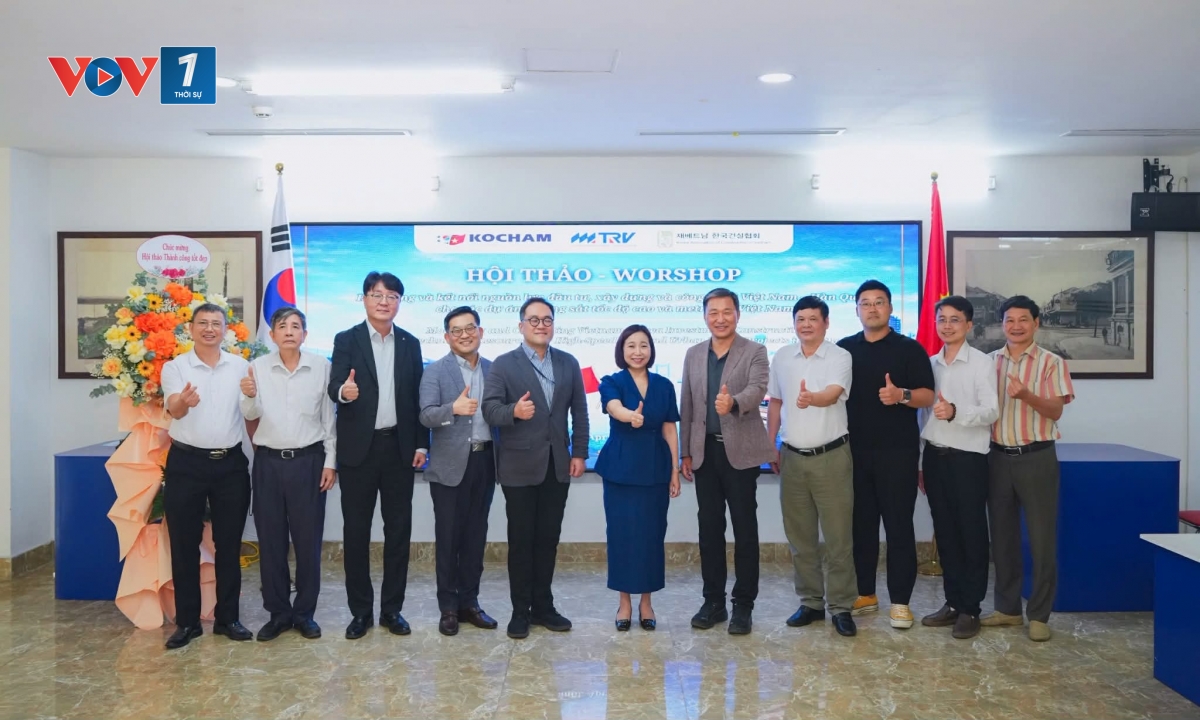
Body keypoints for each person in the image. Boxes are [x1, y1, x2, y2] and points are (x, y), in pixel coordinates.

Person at [327, 271, 428, 640]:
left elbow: (418, 397)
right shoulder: (346, 339)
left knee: (398, 532)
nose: (384, 301)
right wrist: (344, 391)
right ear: (365, 299)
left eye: (392, 296)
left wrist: (421, 444)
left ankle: (392, 610)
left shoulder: (410, 343)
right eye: (376, 294)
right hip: (359, 450)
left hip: (399, 449)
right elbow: (334, 385)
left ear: (399, 302)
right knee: (356, 532)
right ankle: (360, 613)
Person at [482, 297, 589, 639]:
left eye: (547, 320)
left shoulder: (568, 362)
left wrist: (579, 453)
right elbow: (489, 410)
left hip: (557, 465)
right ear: (521, 326)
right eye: (534, 320)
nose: (541, 325)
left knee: (547, 539)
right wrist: (513, 411)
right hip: (518, 467)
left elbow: (580, 411)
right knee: (521, 541)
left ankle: (544, 607)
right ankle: (520, 611)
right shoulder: (503, 364)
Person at [837, 279, 935, 630]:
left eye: (879, 302)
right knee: (860, 527)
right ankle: (865, 593)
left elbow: (928, 395)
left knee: (898, 528)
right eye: (865, 303)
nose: (872, 308)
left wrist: (901, 395)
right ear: (857, 310)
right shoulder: (844, 350)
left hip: (898, 454)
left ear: (890, 308)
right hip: (854, 454)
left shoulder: (910, 349)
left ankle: (900, 602)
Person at [679, 288, 774, 635]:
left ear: (738, 314)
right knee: (709, 530)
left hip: (741, 454)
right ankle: (713, 602)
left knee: (745, 530)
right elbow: (687, 404)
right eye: (713, 312)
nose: (720, 318)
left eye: (727, 311)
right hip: (704, 453)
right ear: (705, 316)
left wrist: (732, 402)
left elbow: (757, 389)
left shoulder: (755, 351)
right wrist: (685, 452)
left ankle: (743, 605)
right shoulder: (693, 354)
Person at [239, 307, 336, 641]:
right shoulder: (257, 368)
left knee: (308, 542)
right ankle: (278, 613)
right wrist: (249, 395)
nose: (290, 332)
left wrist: (330, 462)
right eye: (283, 326)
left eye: (296, 326)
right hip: (268, 463)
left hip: (309, 462)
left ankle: (305, 613)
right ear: (273, 334)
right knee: (271, 541)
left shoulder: (321, 367)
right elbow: (250, 412)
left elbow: (329, 419)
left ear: (305, 335)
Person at [160, 303, 253, 649]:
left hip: (230, 465)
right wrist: (184, 402)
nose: (210, 328)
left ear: (225, 329)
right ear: (191, 328)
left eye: (216, 323)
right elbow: (174, 409)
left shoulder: (241, 366)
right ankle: (188, 623)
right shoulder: (175, 367)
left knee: (229, 544)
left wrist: (253, 396)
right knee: (184, 545)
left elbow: (251, 410)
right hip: (186, 464)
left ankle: (228, 619)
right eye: (203, 323)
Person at [982, 295, 1074, 642]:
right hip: (997, 458)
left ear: (1036, 323)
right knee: (1002, 539)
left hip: (1037, 457)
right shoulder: (989, 362)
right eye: (1009, 320)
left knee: (1041, 539)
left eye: (1023, 320)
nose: (1016, 326)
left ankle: (1038, 615)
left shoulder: (1051, 363)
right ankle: (1007, 610)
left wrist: (1026, 396)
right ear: (1002, 324)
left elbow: (1055, 410)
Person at [766, 296, 857, 637]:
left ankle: (841, 607)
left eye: (812, 319)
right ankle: (811, 602)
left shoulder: (839, 356)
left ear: (826, 322)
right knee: (800, 538)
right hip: (792, 458)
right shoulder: (782, 357)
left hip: (831, 458)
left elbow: (833, 393)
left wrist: (811, 398)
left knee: (838, 538)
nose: (805, 325)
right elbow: (775, 402)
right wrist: (770, 444)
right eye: (800, 319)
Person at [917, 296, 998, 640]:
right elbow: (923, 415)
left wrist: (955, 412)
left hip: (969, 459)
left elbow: (991, 410)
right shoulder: (930, 364)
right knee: (946, 533)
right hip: (935, 457)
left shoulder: (981, 363)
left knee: (971, 534)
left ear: (969, 325)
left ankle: (971, 608)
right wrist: (921, 462)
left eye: (954, 319)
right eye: (942, 319)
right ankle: (952, 603)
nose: (947, 325)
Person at [595, 325, 682, 631]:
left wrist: (674, 470)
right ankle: (624, 602)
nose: (637, 351)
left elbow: (669, 428)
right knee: (621, 535)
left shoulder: (664, 385)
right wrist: (629, 415)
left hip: (656, 468)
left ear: (651, 350)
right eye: (631, 345)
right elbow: (613, 407)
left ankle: (646, 602)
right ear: (622, 350)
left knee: (651, 536)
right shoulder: (611, 381)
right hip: (620, 468)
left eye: (643, 345)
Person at [418, 306, 499, 636]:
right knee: (448, 538)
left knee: (475, 537)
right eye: (457, 330)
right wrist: (453, 408)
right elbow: (426, 416)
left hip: (485, 462)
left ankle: (470, 602)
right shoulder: (435, 372)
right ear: (447, 337)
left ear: (481, 332)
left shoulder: (495, 370)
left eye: (470, 328)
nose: (465, 334)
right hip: (449, 466)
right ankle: (448, 607)